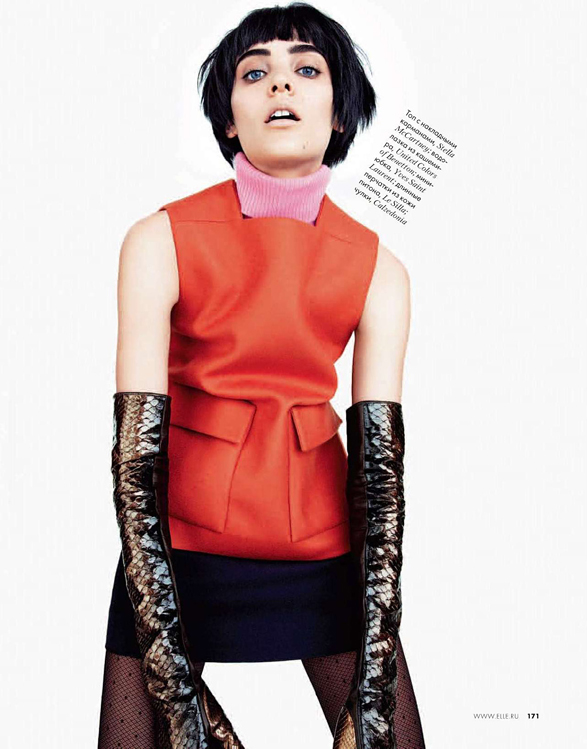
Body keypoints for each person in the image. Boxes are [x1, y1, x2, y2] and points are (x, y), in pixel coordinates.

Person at [97, 3, 426, 748]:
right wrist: (170, 661)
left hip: (321, 548)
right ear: (228, 120)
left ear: (340, 114)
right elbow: (134, 456)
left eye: (306, 69)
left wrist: (376, 657)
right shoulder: (157, 239)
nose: (280, 83)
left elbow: (381, 472)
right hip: (172, 554)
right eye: (255, 73)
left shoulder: (380, 268)